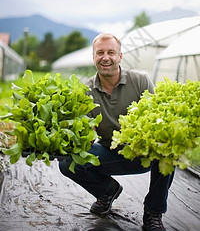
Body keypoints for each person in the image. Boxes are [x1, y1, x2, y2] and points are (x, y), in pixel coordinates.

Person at [59, 33, 174, 231]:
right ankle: (107, 191)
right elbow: (87, 130)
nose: (106, 57)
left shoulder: (140, 80)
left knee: (170, 152)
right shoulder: (84, 90)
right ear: (93, 57)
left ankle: (153, 213)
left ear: (120, 56)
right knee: (67, 162)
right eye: (100, 53)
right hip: (109, 153)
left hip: (142, 153)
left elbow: (159, 119)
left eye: (111, 52)